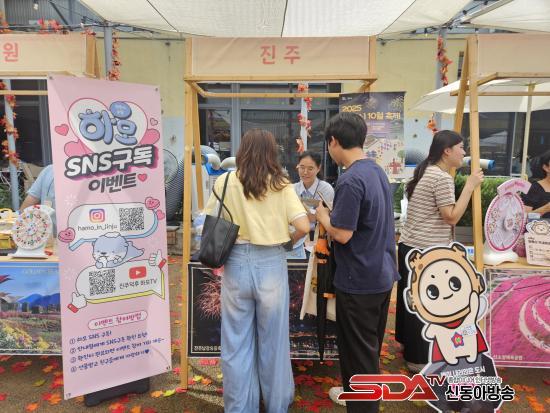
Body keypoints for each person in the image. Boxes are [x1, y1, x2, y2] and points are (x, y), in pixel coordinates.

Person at [204, 129, 309, 413]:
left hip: (236, 263)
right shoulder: (281, 184)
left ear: (242, 151)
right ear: (271, 153)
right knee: (274, 341)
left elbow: (209, 221)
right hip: (271, 263)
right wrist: (288, 241)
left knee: (236, 342)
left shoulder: (225, 181)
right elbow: (303, 226)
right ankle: (276, 405)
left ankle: (240, 408)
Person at [315, 113, 399, 413]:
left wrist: (323, 216)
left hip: (358, 281)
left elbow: (342, 234)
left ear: (334, 141)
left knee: (357, 358)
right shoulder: (376, 171)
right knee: (368, 351)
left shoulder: (350, 180)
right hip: (380, 275)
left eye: (329, 145)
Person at [396, 130, 484, 373]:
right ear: (447, 151)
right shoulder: (442, 178)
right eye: (461, 147)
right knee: (424, 304)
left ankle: (406, 345)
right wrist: (469, 186)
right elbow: (451, 217)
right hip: (425, 250)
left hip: (410, 246)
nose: (464, 152)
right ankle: (417, 359)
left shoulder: (427, 170)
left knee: (409, 301)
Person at [292, 151, 334, 257]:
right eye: (302, 167)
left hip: (319, 240)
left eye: (310, 168)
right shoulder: (292, 189)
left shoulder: (326, 189)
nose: (305, 172)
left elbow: (328, 217)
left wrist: (300, 217)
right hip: (296, 240)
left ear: (318, 168)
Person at [522, 149, 550, 218]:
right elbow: (525, 217)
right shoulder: (533, 188)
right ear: (546, 167)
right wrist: (546, 208)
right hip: (540, 224)